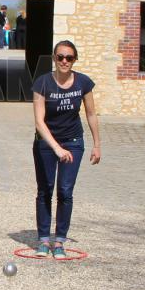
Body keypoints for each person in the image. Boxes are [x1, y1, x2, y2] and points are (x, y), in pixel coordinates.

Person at [31, 40, 101, 259]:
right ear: (54, 58)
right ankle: (43, 240)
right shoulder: (42, 83)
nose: (64, 61)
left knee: (65, 191)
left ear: (74, 60)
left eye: (68, 58)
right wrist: (57, 148)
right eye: (60, 57)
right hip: (46, 142)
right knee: (45, 189)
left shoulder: (83, 83)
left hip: (73, 141)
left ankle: (59, 241)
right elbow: (39, 122)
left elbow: (90, 114)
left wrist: (97, 145)